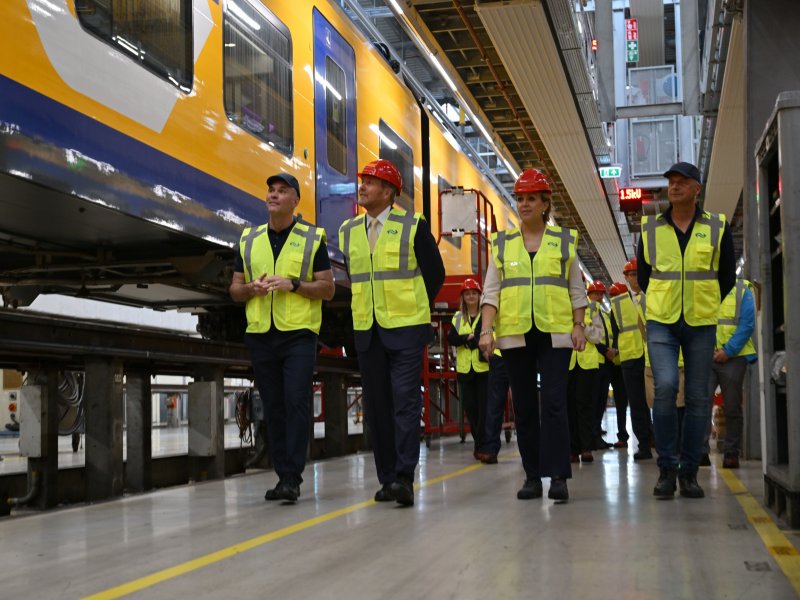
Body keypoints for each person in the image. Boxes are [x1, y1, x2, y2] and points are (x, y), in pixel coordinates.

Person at [478, 168, 589, 503]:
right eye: (520, 198)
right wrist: (486, 330)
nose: (524, 204)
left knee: (554, 403)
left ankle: (558, 476)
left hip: (555, 333)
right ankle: (531, 476)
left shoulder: (563, 242)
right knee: (524, 407)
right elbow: (491, 292)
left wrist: (579, 325)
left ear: (545, 203)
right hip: (515, 334)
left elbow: (576, 289)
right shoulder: (502, 243)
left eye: (531, 198)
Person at [339, 159, 445, 507]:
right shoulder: (349, 230)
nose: (362, 187)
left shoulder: (412, 226)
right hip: (368, 331)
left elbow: (435, 274)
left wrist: (412, 307)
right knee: (377, 408)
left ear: (388, 192)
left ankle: (404, 478)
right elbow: (357, 277)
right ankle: (387, 479)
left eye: (370, 182)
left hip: (406, 330)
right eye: (363, 181)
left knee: (405, 403)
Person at [230, 173, 335, 503]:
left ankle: (292, 477)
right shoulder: (249, 239)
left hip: (298, 334)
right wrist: (251, 289)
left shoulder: (312, 238)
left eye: (282, 191)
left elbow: (328, 288)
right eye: (271, 191)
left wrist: (295, 284)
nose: (273, 195)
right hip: (261, 334)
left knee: (296, 401)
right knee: (273, 406)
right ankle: (283, 475)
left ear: (295, 201)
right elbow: (235, 289)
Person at [638, 161, 735, 499]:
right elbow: (645, 278)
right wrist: (663, 301)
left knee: (697, 397)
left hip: (700, 322)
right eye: (671, 182)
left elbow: (726, 277)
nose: (675, 187)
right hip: (662, 321)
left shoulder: (717, 227)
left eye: (682, 182)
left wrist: (705, 302)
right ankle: (666, 468)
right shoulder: (651, 228)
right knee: (665, 386)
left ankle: (689, 471)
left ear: (697, 189)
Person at [703, 279, 758, 468]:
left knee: (732, 407)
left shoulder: (742, 290)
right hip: (707, 356)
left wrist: (728, 351)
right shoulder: (703, 286)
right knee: (701, 405)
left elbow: (747, 324)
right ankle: (701, 451)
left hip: (734, 358)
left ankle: (731, 453)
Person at [610, 270, 652, 460]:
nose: (635, 277)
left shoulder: (652, 296)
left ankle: (658, 439)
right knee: (636, 403)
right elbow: (614, 332)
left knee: (658, 400)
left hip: (652, 356)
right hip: (630, 359)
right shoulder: (617, 303)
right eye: (631, 274)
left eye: (638, 273)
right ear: (626, 277)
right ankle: (644, 444)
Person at [448, 278, 490, 460]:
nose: (471, 296)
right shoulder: (457, 317)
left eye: (474, 293)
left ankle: (483, 446)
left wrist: (468, 339)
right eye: (467, 294)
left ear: (479, 296)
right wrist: (468, 338)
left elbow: (486, 335)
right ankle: (480, 443)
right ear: (463, 298)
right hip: (465, 370)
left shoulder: (486, 315)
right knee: (471, 410)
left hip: (483, 369)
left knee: (484, 409)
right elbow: (451, 338)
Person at [567, 281, 606, 463]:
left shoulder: (591, 307)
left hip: (587, 363)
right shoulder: (561, 304)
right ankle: (572, 448)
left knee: (585, 405)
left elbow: (598, 336)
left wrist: (581, 326)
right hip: (566, 361)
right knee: (568, 405)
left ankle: (586, 447)